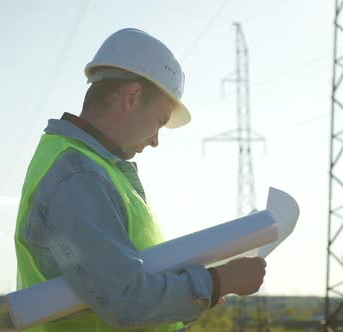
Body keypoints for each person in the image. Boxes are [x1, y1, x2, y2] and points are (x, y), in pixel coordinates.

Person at [14, 28, 266, 332]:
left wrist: (200, 287)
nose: (156, 141)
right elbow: (125, 298)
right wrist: (219, 281)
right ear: (132, 96)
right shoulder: (77, 174)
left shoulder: (91, 168)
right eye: (159, 121)